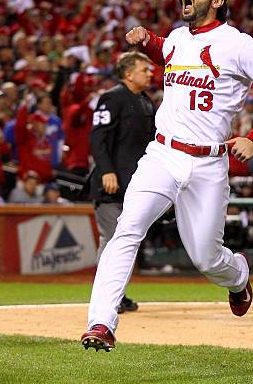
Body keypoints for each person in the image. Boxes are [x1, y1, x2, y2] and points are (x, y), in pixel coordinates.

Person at [82, 0, 253, 351]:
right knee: (127, 230)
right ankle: (101, 323)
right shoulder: (179, 37)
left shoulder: (237, 43)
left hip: (209, 164)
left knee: (207, 258)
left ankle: (239, 275)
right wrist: (147, 43)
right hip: (162, 155)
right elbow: (170, 52)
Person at [87, 51, 157, 314]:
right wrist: (106, 170)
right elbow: (98, 138)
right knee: (112, 239)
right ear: (128, 73)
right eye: (144, 69)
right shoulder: (112, 98)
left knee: (127, 240)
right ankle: (107, 297)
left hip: (134, 184)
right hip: (111, 184)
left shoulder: (146, 102)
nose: (150, 73)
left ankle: (118, 294)